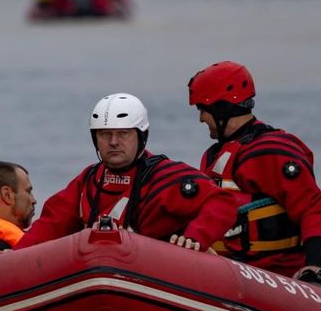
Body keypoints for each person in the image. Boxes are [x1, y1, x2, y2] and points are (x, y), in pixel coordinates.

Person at [16, 94, 236, 250]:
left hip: (156, 277)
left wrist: (196, 236)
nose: (113, 142)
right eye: (105, 134)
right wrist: (15, 256)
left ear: (141, 137)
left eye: (123, 134)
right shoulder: (89, 181)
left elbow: (222, 203)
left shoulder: (165, 177)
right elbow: (51, 224)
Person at [187, 61, 321, 278]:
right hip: (227, 269)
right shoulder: (213, 156)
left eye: (202, 109)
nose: (200, 118)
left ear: (221, 108)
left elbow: (312, 207)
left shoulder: (270, 151)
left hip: (274, 275)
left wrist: (315, 264)